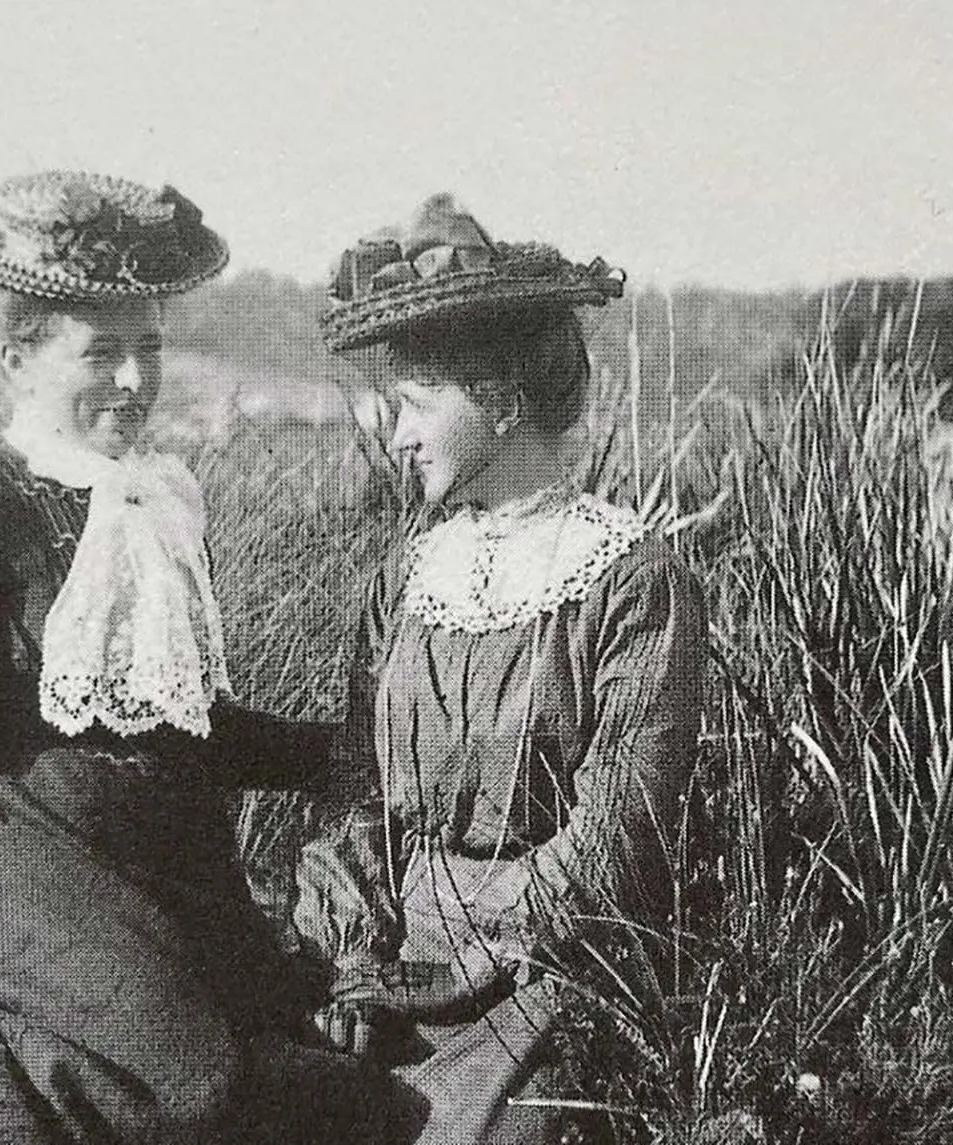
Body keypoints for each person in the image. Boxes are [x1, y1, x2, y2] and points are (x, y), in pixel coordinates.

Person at [0, 170, 407, 1144]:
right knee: (202, 1089)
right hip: (24, 849)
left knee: (326, 1054)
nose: (134, 382)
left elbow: (185, 719)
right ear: (18, 356)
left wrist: (346, 749)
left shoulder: (163, 498)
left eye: (149, 348)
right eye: (100, 352)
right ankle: (3, 1028)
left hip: (176, 856)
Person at [301, 194, 708, 1144]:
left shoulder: (633, 583)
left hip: (546, 977)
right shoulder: (408, 574)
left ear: (504, 397)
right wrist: (354, 941)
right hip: (386, 963)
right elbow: (357, 790)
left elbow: (620, 834)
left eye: (416, 404)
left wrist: (467, 963)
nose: (396, 435)